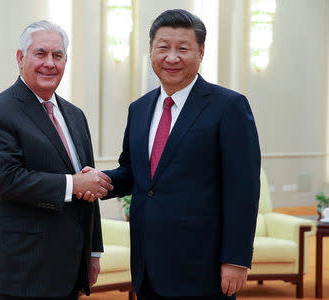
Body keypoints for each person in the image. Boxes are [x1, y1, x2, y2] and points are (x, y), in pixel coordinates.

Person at [80, 9, 261, 300]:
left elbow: (244, 189)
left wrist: (236, 259)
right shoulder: (139, 108)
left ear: (201, 52)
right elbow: (134, 172)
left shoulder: (228, 106)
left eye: (183, 48)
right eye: (163, 47)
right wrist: (100, 180)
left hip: (204, 268)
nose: (172, 57)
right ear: (151, 50)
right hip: (147, 265)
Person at [0, 20, 113, 300]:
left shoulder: (75, 115)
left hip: (67, 270)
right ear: (21, 58)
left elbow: (88, 185)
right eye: (40, 54)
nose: (49, 63)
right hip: (18, 273)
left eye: (58, 55)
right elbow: (7, 180)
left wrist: (93, 251)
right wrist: (72, 184)